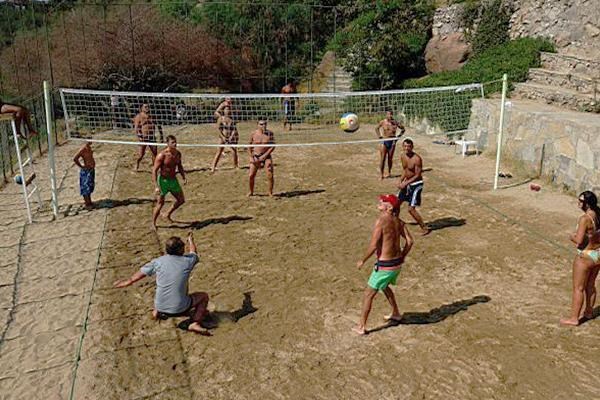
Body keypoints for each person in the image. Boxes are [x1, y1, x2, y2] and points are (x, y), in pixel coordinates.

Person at [114, 232, 211, 335]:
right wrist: (191, 241)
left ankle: (156, 312)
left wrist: (128, 281)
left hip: (160, 306)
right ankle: (195, 322)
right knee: (203, 296)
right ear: (180, 250)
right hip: (180, 308)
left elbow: (140, 274)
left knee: (162, 288)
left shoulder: (158, 262)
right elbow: (193, 252)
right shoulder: (187, 261)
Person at [354, 194, 414, 335]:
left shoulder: (381, 220)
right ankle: (396, 313)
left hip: (385, 265)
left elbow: (374, 245)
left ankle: (361, 327)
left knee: (368, 294)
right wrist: (403, 256)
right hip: (396, 265)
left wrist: (362, 260)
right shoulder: (399, 222)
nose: (380, 201)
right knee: (385, 286)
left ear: (390, 207)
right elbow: (410, 241)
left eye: (384, 201)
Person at [560, 191, 600, 326]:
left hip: (586, 256)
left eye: (581, 200)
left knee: (578, 288)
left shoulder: (584, 219)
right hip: (597, 254)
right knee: (591, 285)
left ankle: (574, 318)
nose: (578, 202)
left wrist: (571, 236)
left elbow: (578, 240)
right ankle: (589, 311)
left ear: (587, 204)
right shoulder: (597, 214)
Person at [152, 135, 186, 230]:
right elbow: (154, 170)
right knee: (160, 203)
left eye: (175, 142)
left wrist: (183, 176)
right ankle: (153, 223)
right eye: (172, 142)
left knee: (181, 200)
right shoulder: (162, 155)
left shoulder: (178, 154)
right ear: (167, 144)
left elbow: (179, 166)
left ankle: (167, 214)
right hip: (163, 181)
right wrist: (156, 186)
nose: (175, 144)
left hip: (173, 180)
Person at [397, 138, 431, 235]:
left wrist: (405, 183)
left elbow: (417, 175)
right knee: (396, 203)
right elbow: (405, 170)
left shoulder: (417, 159)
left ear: (412, 147)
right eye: (405, 146)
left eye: (409, 146)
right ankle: (395, 222)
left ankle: (424, 227)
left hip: (416, 185)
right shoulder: (403, 156)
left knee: (411, 209)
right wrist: (400, 181)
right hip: (407, 183)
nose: (407, 148)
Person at [248, 119, 275, 197]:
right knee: (251, 175)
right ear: (257, 125)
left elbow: (273, 146)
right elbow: (249, 146)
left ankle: (270, 192)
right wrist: (251, 156)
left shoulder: (270, 134)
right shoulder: (253, 134)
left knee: (270, 174)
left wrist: (265, 155)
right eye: (261, 124)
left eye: (265, 124)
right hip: (255, 156)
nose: (263, 126)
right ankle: (251, 191)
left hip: (266, 156)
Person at [375, 110, 405, 180]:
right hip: (385, 141)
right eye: (388, 114)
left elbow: (403, 129)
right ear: (386, 115)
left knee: (390, 158)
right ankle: (381, 175)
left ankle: (389, 173)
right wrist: (379, 136)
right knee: (382, 159)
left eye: (391, 114)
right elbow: (376, 128)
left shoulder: (395, 122)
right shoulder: (383, 122)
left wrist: (398, 137)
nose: (389, 116)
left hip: (392, 141)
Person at [133, 103, 162, 172]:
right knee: (141, 155)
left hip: (152, 137)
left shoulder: (152, 116)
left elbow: (159, 125)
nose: (147, 108)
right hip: (143, 138)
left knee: (154, 153)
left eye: (148, 106)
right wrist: (139, 136)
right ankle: (137, 164)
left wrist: (161, 135)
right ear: (141, 108)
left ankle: (155, 167)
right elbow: (136, 128)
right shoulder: (139, 116)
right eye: (145, 107)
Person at [211, 106, 239, 173]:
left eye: (228, 109)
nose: (227, 111)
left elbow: (234, 129)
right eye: (226, 109)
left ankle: (236, 166)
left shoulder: (232, 119)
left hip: (230, 137)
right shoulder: (221, 119)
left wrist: (231, 137)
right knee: (219, 151)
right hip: (222, 136)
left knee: (234, 151)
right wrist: (222, 137)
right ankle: (213, 167)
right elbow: (218, 129)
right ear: (223, 111)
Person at [73, 142, 95, 209]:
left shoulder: (89, 148)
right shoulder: (83, 149)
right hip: (86, 171)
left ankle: (89, 202)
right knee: (86, 187)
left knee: (90, 186)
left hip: (91, 170)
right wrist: (82, 166)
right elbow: (75, 159)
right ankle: (87, 204)